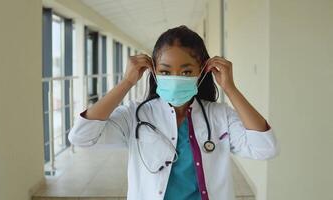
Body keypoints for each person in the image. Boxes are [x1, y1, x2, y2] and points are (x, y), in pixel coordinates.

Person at [68, 25, 279, 200]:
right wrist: (127, 82)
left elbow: (265, 148)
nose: (176, 78)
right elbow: (81, 137)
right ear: (154, 71)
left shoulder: (219, 115)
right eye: (165, 71)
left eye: (186, 71)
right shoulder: (135, 115)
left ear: (203, 71)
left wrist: (230, 88)